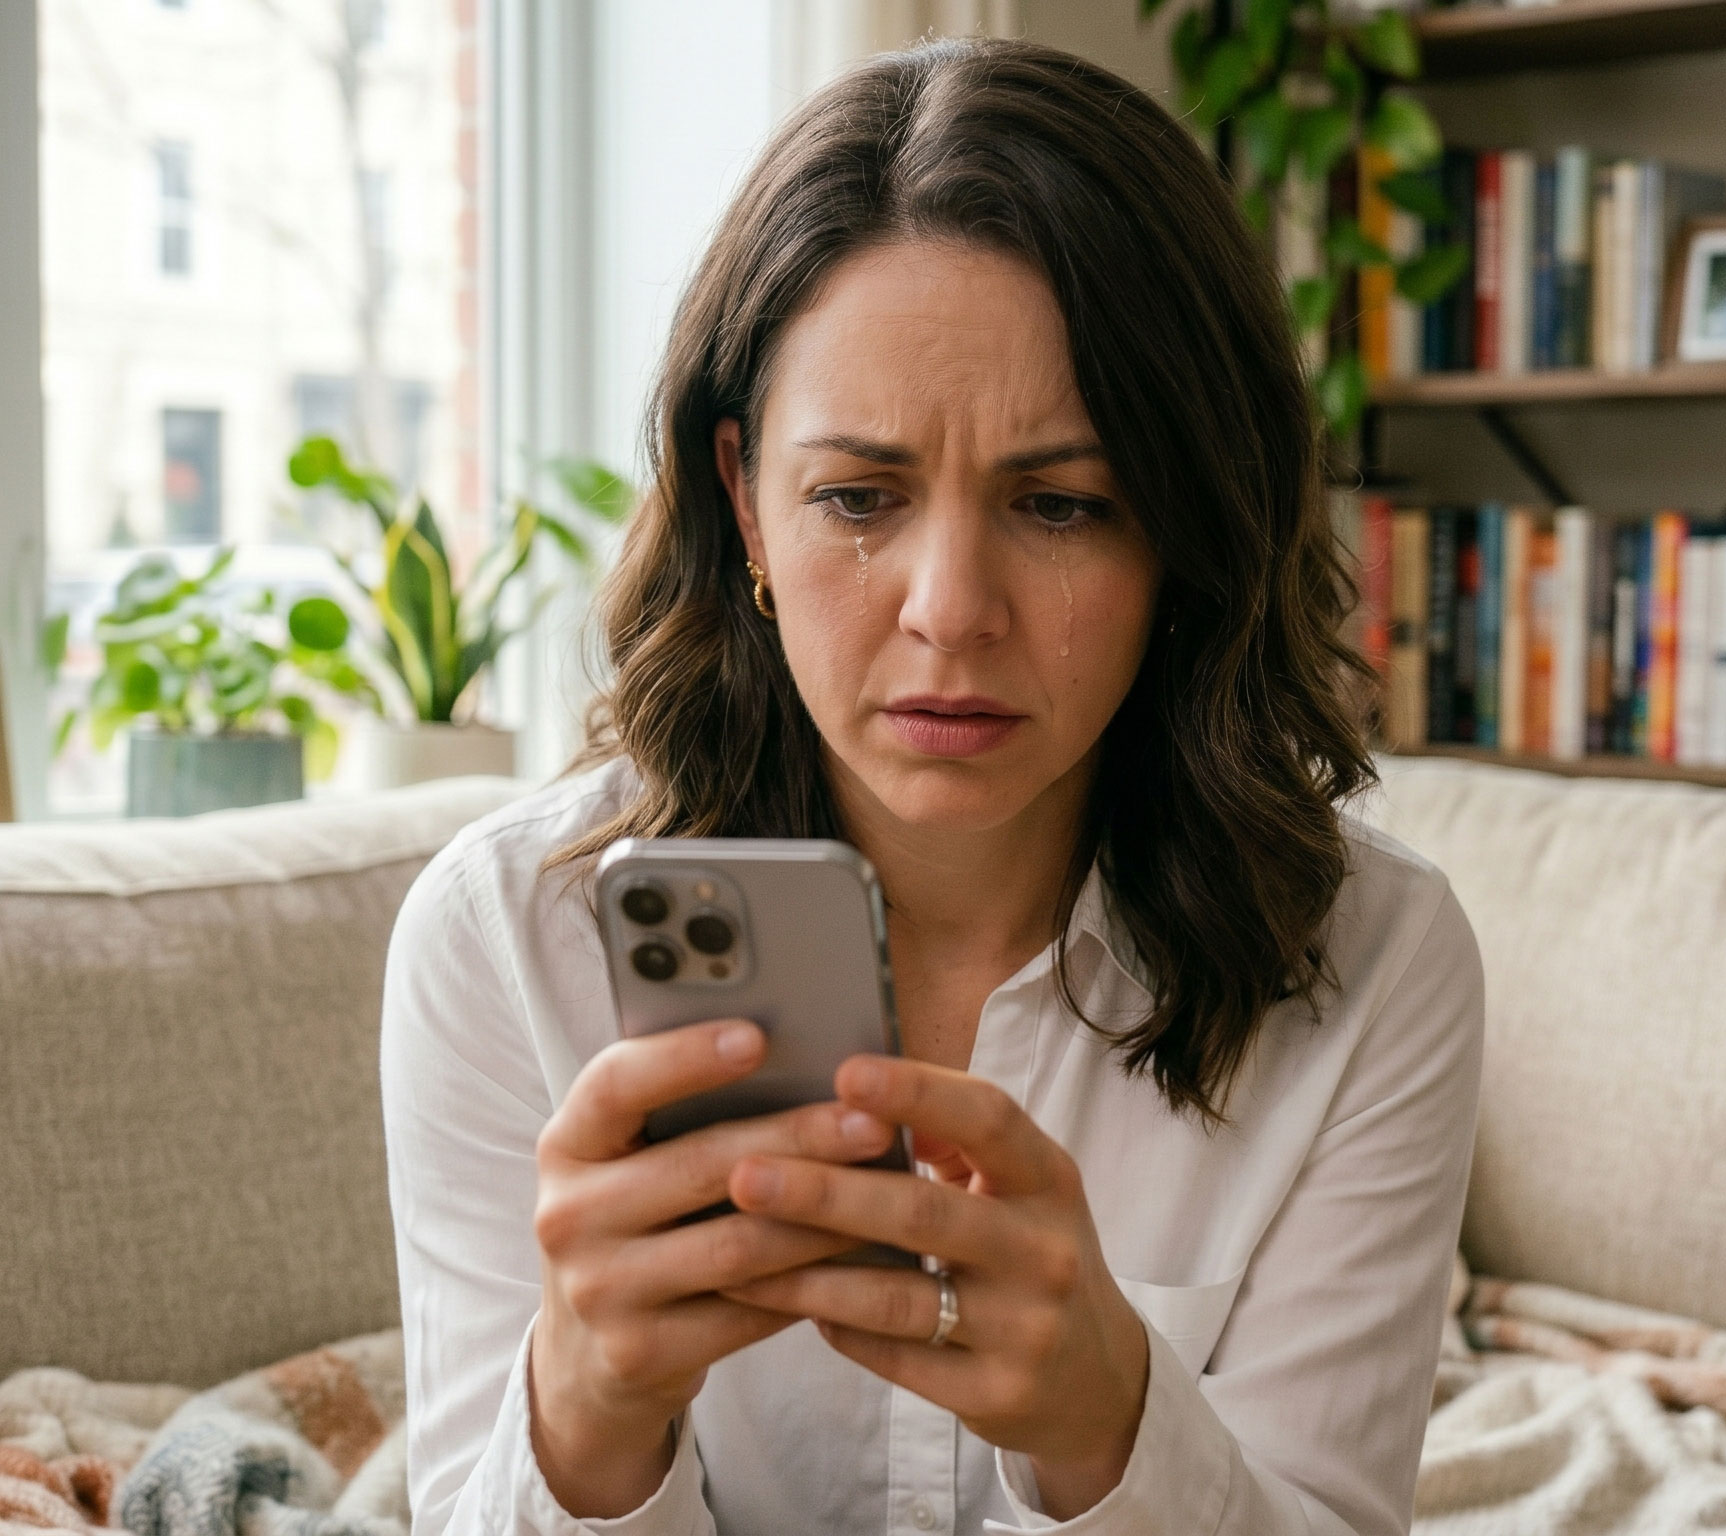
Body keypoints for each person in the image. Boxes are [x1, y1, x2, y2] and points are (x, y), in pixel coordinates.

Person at [382, 37, 1483, 1536]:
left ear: (1187, 529)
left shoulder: (1373, 962)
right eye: (855, 498)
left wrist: (1110, 1425)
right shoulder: (506, 935)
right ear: (743, 506)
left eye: (1062, 503)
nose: (950, 609)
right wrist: (581, 1416)